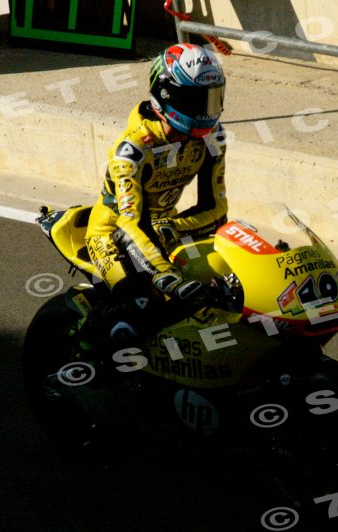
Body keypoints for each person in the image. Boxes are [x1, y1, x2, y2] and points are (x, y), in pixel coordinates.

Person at [81, 43, 228, 343]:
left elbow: (216, 210)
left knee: (222, 290)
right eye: (197, 100)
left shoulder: (213, 137)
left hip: (161, 230)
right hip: (112, 235)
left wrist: (172, 228)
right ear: (166, 95)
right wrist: (162, 273)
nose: (207, 111)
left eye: (212, 100)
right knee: (142, 308)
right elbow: (128, 222)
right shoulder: (131, 150)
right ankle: (85, 352)